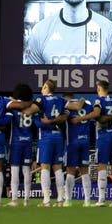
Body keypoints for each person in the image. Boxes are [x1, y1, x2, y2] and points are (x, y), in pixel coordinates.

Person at [9, 79, 68, 207]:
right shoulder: (60, 100)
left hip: (45, 137)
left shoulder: (41, 100)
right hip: (58, 135)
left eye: (44, 86)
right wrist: (55, 120)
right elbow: (67, 113)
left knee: (45, 167)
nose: (42, 88)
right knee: (57, 168)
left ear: (47, 88)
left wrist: (15, 103)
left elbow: (28, 111)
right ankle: (60, 199)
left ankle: (46, 200)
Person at [76, 79, 112, 206]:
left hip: (103, 136)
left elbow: (97, 114)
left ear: (99, 88)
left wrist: (81, 118)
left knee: (102, 166)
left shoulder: (98, 100)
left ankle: (101, 199)